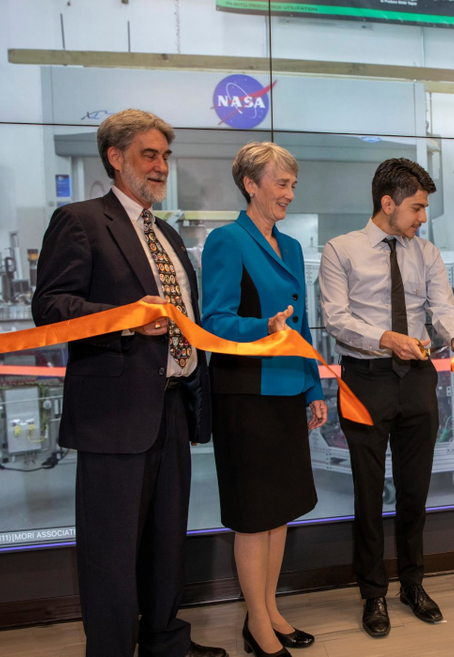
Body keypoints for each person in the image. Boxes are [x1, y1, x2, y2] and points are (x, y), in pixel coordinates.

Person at [32, 109, 225, 657]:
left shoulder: (165, 233)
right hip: (113, 414)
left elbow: (184, 314)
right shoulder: (80, 220)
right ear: (115, 158)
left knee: (167, 543)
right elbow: (50, 307)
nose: (161, 166)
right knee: (111, 551)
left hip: (171, 408)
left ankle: (166, 642)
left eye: (165, 155)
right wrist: (127, 316)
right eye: (149, 154)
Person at [319, 158, 454, 638]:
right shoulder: (340, 250)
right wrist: (388, 338)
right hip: (365, 379)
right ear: (386, 204)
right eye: (416, 207)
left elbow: (442, 307)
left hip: (416, 379)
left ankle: (413, 583)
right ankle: (372, 594)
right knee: (368, 495)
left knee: (415, 492)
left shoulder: (425, 252)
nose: (421, 217)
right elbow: (336, 318)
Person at [201, 142, 327, 657]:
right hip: (245, 394)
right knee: (254, 517)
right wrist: (263, 328)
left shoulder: (292, 248)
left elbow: (300, 328)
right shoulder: (226, 241)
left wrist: (315, 387)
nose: (289, 194)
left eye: (293, 185)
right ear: (251, 184)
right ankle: (256, 627)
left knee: (279, 512)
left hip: (286, 391)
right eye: (281, 183)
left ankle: (270, 612)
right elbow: (214, 321)